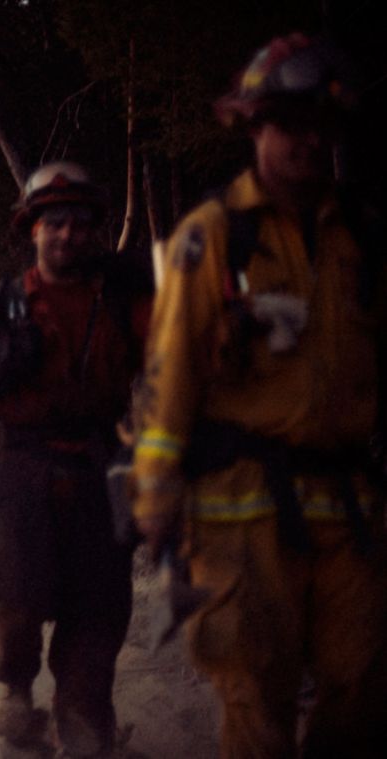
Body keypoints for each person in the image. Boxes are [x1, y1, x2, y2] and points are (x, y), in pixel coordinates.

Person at [131, 33, 386, 757]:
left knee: (365, 684)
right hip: (241, 510)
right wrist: (154, 495)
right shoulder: (211, 237)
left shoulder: (364, 239)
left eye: (320, 126)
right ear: (254, 128)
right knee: (253, 690)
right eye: (288, 124)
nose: (307, 142)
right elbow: (170, 371)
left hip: (351, 506)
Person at [0, 161, 149, 755]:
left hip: (102, 467)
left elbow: (173, 370)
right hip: (22, 468)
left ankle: (81, 726)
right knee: (15, 606)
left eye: (79, 223)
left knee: (98, 613)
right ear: (32, 230)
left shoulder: (125, 303)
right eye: (54, 223)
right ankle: (14, 691)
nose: (67, 234)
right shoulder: (3, 310)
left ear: (94, 231)